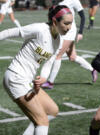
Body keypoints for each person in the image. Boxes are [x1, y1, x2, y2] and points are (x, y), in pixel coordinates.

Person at [1, 5, 73, 135]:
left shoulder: (58, 41)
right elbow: (8, 33)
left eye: (71, 23)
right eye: (66, 23)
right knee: (42, 121)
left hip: (27, 80)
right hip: (15, 78)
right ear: (55, 21)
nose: (69, 27)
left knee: (52, 110)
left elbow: (49, 61)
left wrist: (44, 77)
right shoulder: (39, 29)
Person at [41, 0, 97, 89]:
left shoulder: (74, 1)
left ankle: (50, 82)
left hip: (69, 32)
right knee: (72, 57)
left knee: (57, 56)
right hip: (60, 30)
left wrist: (80, 32)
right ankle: (92, 69)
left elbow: (82, 17)